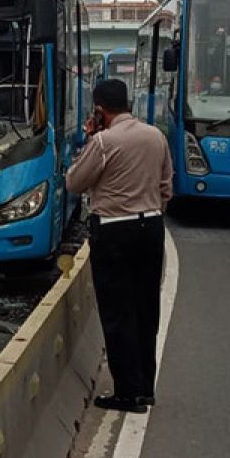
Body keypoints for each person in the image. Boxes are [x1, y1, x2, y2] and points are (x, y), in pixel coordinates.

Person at [65, 79, 173, 414]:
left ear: (99, 110)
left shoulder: (103, 142)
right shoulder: (156, 136)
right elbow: (166, 186)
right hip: (151, 226)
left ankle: (127, 392)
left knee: (118, 312)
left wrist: (88, 139)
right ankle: (144, 388)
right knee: (145, 308)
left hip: (114, 231)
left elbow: (74, 183)